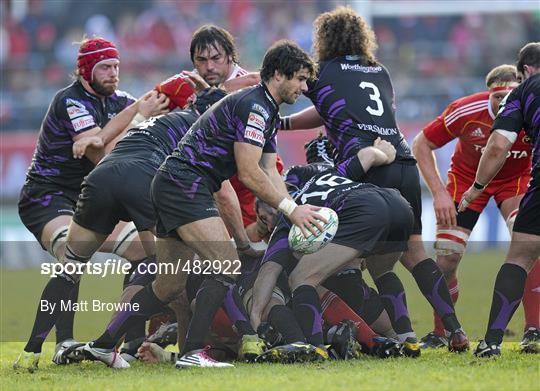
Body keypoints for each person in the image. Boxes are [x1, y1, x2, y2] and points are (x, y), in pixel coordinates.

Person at [279, 6, 468, 353]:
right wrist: (291, 124)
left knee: (370, 262)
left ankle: (399, 335)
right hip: (404, 162)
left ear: (325, 40)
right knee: (413, 251)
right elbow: (338, 110)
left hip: (370, 164)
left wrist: (282, 122)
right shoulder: (378, 70)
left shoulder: (324, 73)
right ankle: (454, 329)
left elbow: (296, 89)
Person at [149, 39, 321, 368]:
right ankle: (192, 353)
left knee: (168, 285)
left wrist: (289, 215)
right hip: (185, 184)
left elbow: (270, 170)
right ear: (279, 75)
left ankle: (104, 344)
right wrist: (291, 210)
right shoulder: (256, 107)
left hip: (177, 183)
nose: (303, 87)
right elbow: (249, 172)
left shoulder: (267, 111)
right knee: (225, 264)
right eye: (299, 78)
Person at [14, 36, 169, 372]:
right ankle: (61, 344)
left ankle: (130, 342)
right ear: (86, 71)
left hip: (94, 198)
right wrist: (137, 120)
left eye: (116, 66)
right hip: (48, 195)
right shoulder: (70, 101)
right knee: (73, 257)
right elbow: (105, 159)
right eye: (105, 67)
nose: (113, 73)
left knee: (143, 253)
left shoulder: (124, 102)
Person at [413, 65, 539, 349]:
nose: (504, 100)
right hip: (465, 183)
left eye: (510, 93)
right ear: (488, 95)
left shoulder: (529, 109)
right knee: (446, 258)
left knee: (529, 245)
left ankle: (533, 330)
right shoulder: (465, 111)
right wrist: (439, 194)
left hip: (515, 183)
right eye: (497, 96)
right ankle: (441, 332)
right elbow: (421, 143)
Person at [457, 42, 540, 357]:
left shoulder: (521, 93)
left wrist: (476, 187)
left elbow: (496, 147)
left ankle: (491, 341)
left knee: (520, 256)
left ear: (525, 71)